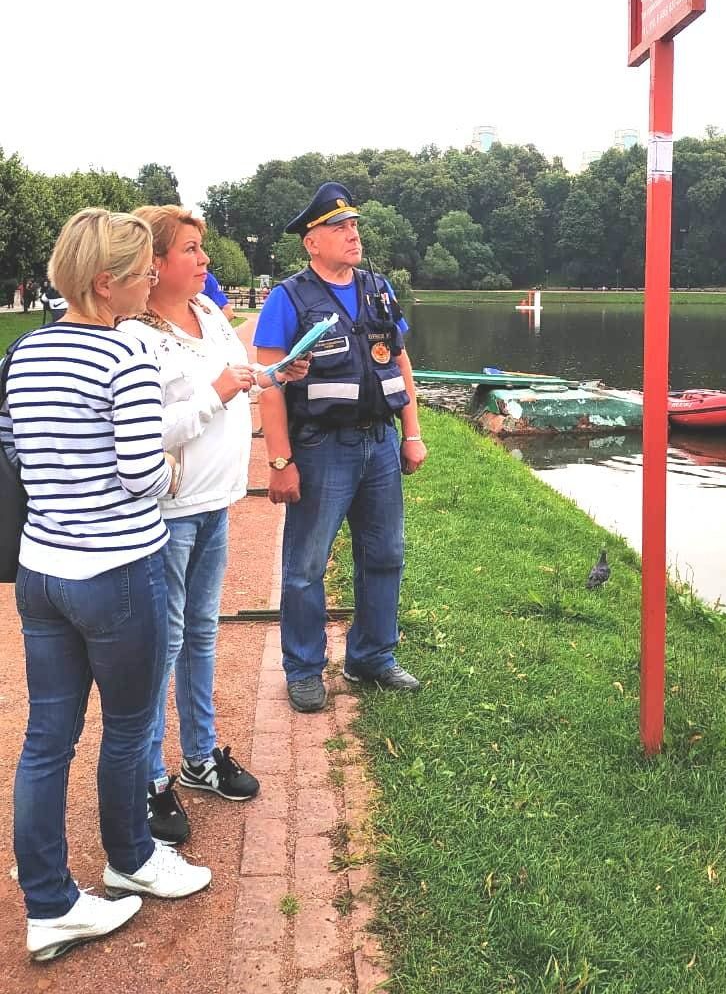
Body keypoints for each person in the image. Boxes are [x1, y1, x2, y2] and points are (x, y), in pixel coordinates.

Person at [0, 208, 211, 964]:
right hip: (118, 571)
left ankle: (51, 903)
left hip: (43, 571)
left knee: (47, 737)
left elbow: (14, 449)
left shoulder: (24, 353)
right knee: (128, 727)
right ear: (104, 282)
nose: (152, 277)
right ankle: (132, 857)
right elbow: (141, 472)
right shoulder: (124, 357)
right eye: (140, 270)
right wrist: (171, 471)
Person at [120, 206, 310, 845]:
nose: (206, 261)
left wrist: (273, 376)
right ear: (154, 263)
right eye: (193, 250)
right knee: (161, 646)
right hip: (166, 515)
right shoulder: (135, 337)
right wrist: (220, 393)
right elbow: (147, 432)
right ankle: (148, 778)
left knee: (201, 635)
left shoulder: (207, 316)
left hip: (215, 502)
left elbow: (238, 379)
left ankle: (198, 758)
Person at [254, 181, 427, 713]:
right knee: (306, 565)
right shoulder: (289, 298)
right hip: (322, 448)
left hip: (379, 444)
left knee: (386, 554)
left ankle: (371, 657)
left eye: (353, 225)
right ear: (312, 242)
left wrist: (412, 432)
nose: (352, 234)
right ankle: (304, 668)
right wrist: (280, 461)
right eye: (339, 228)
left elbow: (398, 360)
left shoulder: (378, 287)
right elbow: (270, 382)